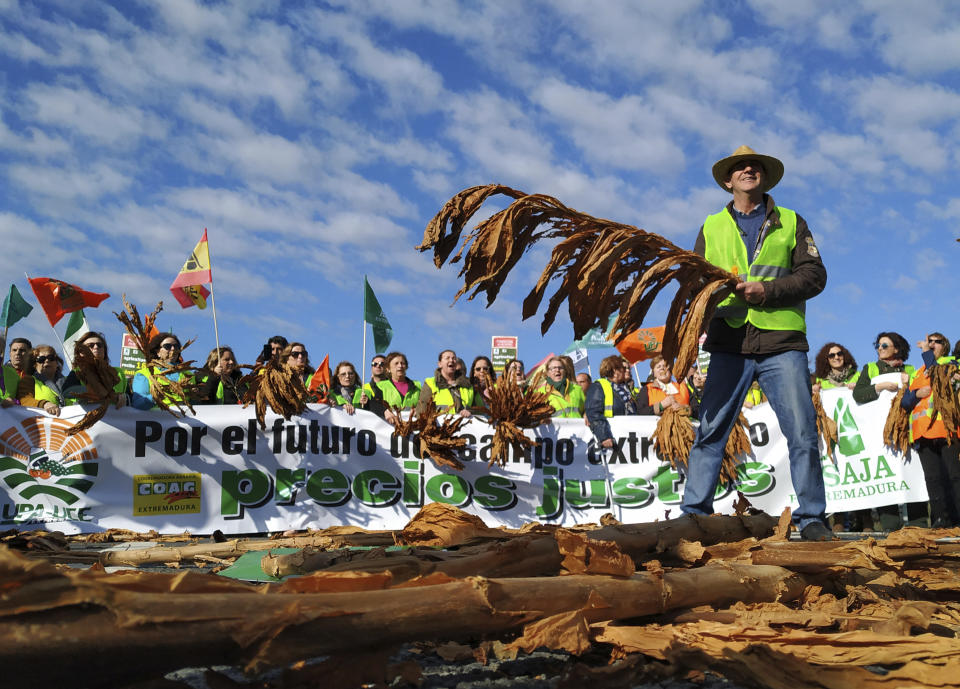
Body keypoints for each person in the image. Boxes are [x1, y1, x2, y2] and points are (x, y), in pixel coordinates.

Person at [679, 145, 831, 541]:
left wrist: (766, 290)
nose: (748, 169)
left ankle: (812, 518)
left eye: (754, 166)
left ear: (763, 177)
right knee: (710, 433)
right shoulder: (710, 226)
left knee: (802, 433)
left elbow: (814, 275)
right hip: (729, 343)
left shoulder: (792, 222)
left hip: (782, 342)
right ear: (728, 181)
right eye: (739, 167)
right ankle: (694, 517)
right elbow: (695, 286)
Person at [901, 333, 960, 527]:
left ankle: (957, 517)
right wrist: (916, 394)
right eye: (930, 341)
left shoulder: (952, 364)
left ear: (946, 346)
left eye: (937, 341)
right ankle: (940, 519)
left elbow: (937, 375)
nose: (932, 344)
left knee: (954, 476)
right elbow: (905, 401)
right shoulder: (918, 372)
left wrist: (926, 352)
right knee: (932, 479)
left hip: (947, 430)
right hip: (922, 432)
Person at [62, 331, 129, 408]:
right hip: (87, 418)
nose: (96, 347)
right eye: (91, 345)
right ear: (81, 352)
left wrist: (125, 398)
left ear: (104, 351)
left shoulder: (119, 372)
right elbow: (67, 391)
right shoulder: (77, 372)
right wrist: (97, 392)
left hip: (114, 418)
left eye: (100, 345)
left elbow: (130, 398)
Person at [585, 354, 638, 447]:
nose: (626, 371)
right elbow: (594, 413)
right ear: (615, 370)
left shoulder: (627, 389)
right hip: (613, 439)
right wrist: (604, 436)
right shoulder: (599, 386)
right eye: (623, 368)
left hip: (632, 439)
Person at [131, 333, 194, 410]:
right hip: (156, 419)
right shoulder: (144, 374)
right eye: (167, 346)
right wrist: (154, 397)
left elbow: (197, 405)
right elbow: (137, 404)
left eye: (176, 346)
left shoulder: (188, 374)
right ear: (158, 352)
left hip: (185, 419)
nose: (173, 349)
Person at [852, 332, 914, 405]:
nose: (880, 348)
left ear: (896, 349)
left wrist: (907, 384)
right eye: (878, 345)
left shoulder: (909, 369)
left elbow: (916, 393)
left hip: (902, 414)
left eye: (884, 346)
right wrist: (880, 386)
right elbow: (857, 395)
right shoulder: (870, 367)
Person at [419, 349, 474, 416]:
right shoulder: (430, 383)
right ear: (440, 364)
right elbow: (421, 411)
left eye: (454, 358)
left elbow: (479, 410)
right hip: (438, 426)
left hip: (465, 425)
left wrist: (470, 412)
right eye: (447, 358)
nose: (451, 360)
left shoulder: (468, 385)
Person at [378, 351, 421, 425]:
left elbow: (425, 404)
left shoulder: (417, 386)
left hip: (412, 430)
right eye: (396, 363)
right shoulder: (380, 386)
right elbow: (375, 404)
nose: (400, 366)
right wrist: (384, 411)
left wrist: (419, 409)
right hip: (389, 430)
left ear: (406, 367)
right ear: (388, 369)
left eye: (402, 363)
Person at [1, 336, 39, 408]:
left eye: (22, 350)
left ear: (30, 354)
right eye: (14, 350)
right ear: (10, 353)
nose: (17, 353)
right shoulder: (2, 372)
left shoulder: (39, 378)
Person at [31, 345, 66, 416]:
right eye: (41, 359)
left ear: (56, 362)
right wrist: (44, 404)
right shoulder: (30, 381)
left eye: (51, 358)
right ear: (35, 364)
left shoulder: (70, 381)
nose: (46, 361)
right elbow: (25, 401)